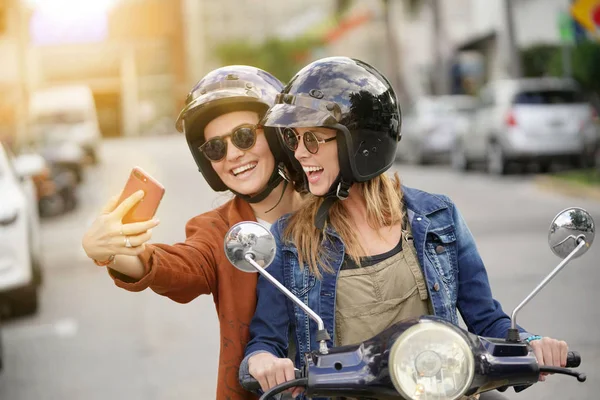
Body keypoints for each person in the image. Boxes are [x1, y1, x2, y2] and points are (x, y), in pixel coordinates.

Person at [239, 57, 569, 398]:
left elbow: (487, 320)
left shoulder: (437, 216)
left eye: (313, 140)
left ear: (361, 142)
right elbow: (266, 340)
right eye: (294, 140)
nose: (300, 155)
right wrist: (263, 361)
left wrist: (532, 344)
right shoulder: (290, 239)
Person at [81, 65, 306, 400]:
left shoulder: (328, 206)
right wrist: (112, 251)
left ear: (275, 134)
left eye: (245, 136)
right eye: (215, 148)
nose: (233, 155)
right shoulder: (217, 230)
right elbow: (178, 267)